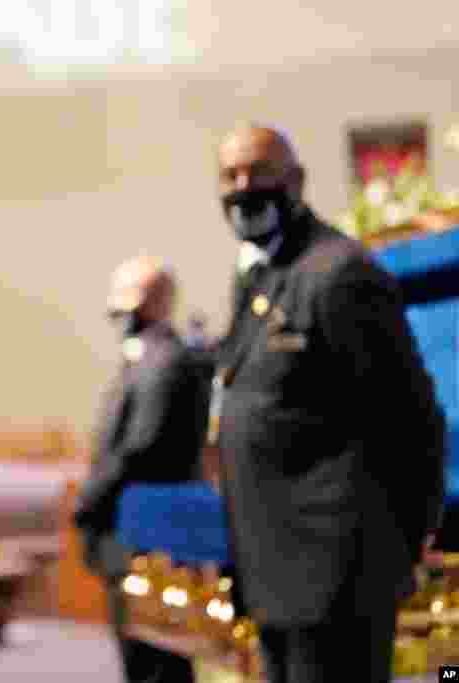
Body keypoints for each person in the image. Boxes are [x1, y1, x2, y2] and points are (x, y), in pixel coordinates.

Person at [212, 124, 444, 683]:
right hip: (276, 577)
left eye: (259, 172)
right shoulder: (263, 277)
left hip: (335, 581)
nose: (245, 187)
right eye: (230, 176)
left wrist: (397, 547)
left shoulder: (340, 273)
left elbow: (411, 420)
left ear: (295, 180)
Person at [74, 256, 209, 683]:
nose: (117, 312)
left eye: (124, 300)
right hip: (133, 531)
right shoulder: (147, 359)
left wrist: (90, 500)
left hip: (148, 534)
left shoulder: (164, 362)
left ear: (151, 302)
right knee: (142, 657)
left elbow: (140, 447)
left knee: (156, 660)